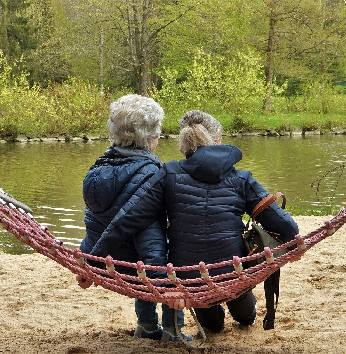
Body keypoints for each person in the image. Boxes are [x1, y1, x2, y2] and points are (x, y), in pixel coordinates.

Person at [90, 110, 299, 332]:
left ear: (182, 147)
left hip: (190, 280)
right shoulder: (242, 178)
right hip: (233, 273)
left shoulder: (168, 174)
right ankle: (243, 309)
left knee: (212, 323)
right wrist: (294, 244)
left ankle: (213, 314)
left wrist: (93, 261)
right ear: (218, 141)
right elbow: (285, 225)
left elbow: (129, 219)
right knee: (244, 310)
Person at [76, 94, 191, 343]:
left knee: (142, 256)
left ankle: (147, 325)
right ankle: (173, 330)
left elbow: (95, 222)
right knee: (176, 253)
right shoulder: (152, 175)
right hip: (137, 265)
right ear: (150, 139)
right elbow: (151, 240)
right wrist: (165, 286)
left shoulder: (96, 169)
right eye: (157, 133)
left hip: (106, 260)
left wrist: (88, 261)